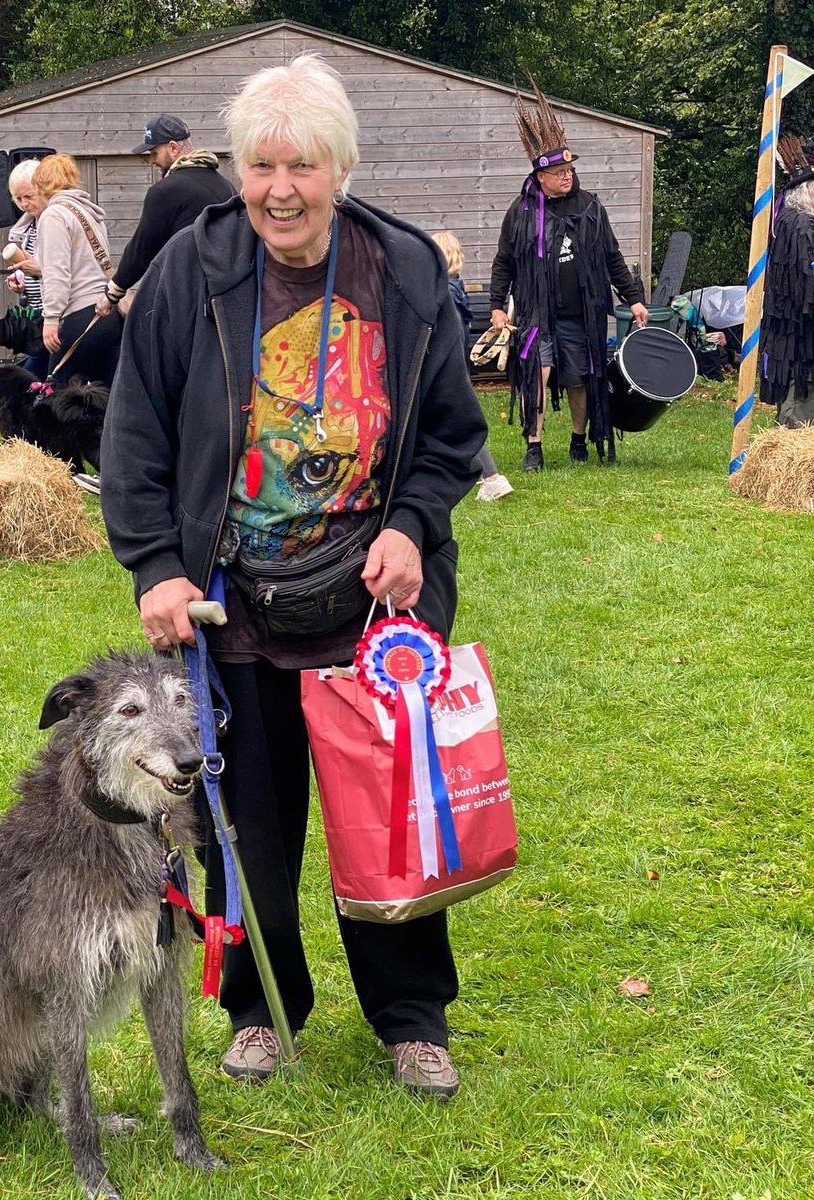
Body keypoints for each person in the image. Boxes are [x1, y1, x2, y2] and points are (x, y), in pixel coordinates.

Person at [100, 55, 486, 1099]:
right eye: (262, 165)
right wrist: (155, 566)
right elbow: (134, 432)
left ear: (341, 169)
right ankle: (262, 1010)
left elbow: (454, 435)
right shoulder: (193, 269)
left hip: (373, 611)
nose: (280, 189)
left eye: (301, 167)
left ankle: (412, 1020)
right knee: (245, 833)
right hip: (234, 611)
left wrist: (412, 523)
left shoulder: (403, 272)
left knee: (390, 824)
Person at [489, 83, 648, 471]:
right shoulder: (522, 211)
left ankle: (579, 439)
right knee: (536, 374)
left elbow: (612, 256)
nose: (567, 176)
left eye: (570, 169)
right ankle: (534, 447)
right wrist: (496, 305)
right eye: (559, 171)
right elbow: (504, 259)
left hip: (581, 313)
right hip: (536, 313)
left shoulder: (590, 207)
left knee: (580, 378)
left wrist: (634, 297)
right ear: (540, 176)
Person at [95, 115, 235, 317]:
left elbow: (141, 250)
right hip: (225, 299)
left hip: (188, 302)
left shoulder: (166, 190)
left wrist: (113, 293)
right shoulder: (225, 185)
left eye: (154, 152)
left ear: (173, 148)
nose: (152, 160)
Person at [431, 230, 514, 501]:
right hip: (453, 367)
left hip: (444, 370)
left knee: (461, 426)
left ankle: (492, 478)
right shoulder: (456, 288)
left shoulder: (443, 294)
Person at [32, 153, 122, 387]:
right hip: (107, 314)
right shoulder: (90, 214)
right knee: (103, 398)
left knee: (57, 397)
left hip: (80, 316)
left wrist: (50, 318)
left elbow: (57, 272)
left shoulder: (54, 215)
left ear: (40, 184)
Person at [762, 134, 814, 427]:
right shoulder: (800, 227)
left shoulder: (798, 222)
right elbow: (806, 285)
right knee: (799, 416)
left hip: (800, 341)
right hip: (800, 342)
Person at [2, 158, 48, 379]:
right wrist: (19, 278)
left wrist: (39, 270)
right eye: (18, 198)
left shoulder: (55, 221)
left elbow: (71, 269)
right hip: (35, 313)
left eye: (29, 196)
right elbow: (30, 263)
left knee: (31, 377)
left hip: (57, 315)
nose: (23, 204)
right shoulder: (27, 226)